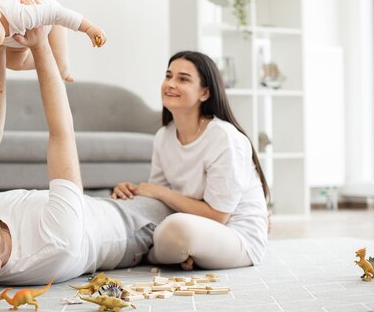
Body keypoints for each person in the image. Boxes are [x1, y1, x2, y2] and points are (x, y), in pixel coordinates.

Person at [0, 26, 172, 299]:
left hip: (96, 203)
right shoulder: (54, 244)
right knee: (186, 219)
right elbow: (61, 133)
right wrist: (41, 47)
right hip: (129, 228)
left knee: (165, 193)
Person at [112, 51, 270, 271]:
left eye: (183, 79)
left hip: (237, 237)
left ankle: (156, 254)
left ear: (205, 93)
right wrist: (133, 191)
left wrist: (158, 192)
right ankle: (173, 253)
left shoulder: (224, 137)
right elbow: (158, 203)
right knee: (152, 224)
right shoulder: (163, 136)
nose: (171, 84)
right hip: (193, 229)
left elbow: (218, 216)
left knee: (177, 229)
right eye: (168, 76)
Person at [0, 0, 106, 94]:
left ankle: (64, 72)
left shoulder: (20, 14)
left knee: (59, 66)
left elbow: (58, 14)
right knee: (14, 63)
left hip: (50, 21)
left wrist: (89, 28)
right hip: (17, 39)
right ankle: (38, 57)